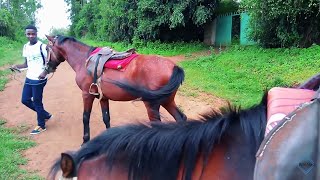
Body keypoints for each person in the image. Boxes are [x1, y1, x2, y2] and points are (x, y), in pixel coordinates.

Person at [11, 24, 52, 135]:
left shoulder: (42, 47)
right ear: (25, 34)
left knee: (37, 101)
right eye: (28, 34)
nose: (31, 36)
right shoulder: (26, 47)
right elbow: (26, 64)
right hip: (29, 77)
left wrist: (45, 72)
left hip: (39, 78)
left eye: (33, 34)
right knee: (25, 100)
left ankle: (41, 125)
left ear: (36, 34)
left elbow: (50, 62)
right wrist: (16, 66)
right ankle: (45, 114)